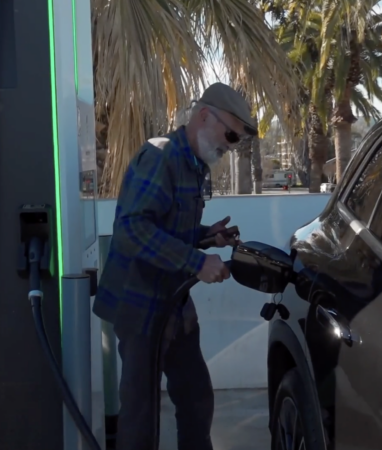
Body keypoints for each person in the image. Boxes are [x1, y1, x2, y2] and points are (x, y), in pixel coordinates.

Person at [93, 82, 258, 450]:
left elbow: (164, 225)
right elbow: (132, 229)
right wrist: (196, 261)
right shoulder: (161, 156)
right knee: (141, 414)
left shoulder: (193, 165)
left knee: (196, 398)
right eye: (230, 135)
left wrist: (204, 236)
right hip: (140, 305)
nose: (229, 147)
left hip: (174, 301)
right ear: (204, 116)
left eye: (237, 142)